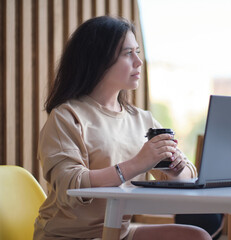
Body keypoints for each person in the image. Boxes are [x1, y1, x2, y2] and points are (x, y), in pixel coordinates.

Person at [33, 16, 212, 240]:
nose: (139, 61)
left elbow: (188, 176)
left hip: (118, 232)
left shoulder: (142, 119)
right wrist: (138, 163)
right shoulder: (66, 117)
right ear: (98, 60)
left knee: (198, 236)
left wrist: (175, 168)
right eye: (128, 53)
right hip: (67, 236)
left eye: (137, 52)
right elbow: (70, 186)